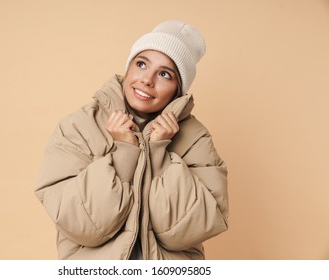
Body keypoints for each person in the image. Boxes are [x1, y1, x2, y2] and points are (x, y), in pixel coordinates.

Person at [35, 20, 229, 260]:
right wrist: (124, 153)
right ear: (128, 68)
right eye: (141, 64)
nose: (147, 80)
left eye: (165, 74)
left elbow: (186, 231)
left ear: (178, 89)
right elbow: (84, 225)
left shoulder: (195, 139)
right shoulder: (79, 127)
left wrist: (158, 152)